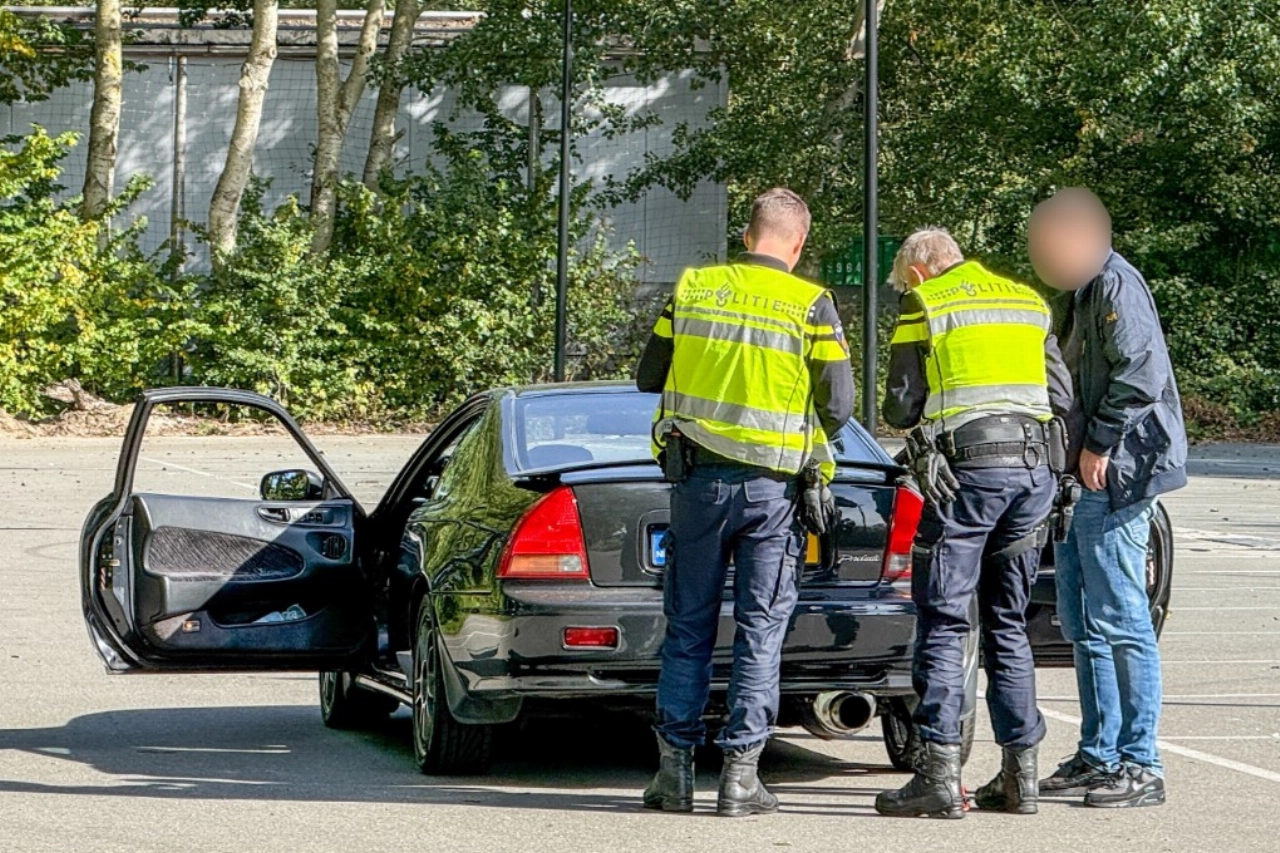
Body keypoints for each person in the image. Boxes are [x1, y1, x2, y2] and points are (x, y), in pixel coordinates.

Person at [634, 187, 855, 817]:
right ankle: (740, 779)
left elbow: (650, 376)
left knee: (689, 627)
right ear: (798, 241)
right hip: (771, 493)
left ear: (748, 232)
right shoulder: (810, 304)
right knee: (760, 629)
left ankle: (673, 776)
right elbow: (837, 408)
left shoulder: (695, 289)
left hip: (697, 485)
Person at [875, 227, 1073, 819]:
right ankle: (1020, 778)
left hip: (966, 477)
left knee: (944, 619)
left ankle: (937, 773)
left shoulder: (926, 303)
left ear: (917, 271)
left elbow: (899, 405)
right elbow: (1060, 394)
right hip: (1033, 473)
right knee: (1007, 622)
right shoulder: (1026, 301)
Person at [1028, 188, 1187, 808]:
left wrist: (1096, 444)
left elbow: (1141, 375)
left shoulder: (1118, 287)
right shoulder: (1082, 294)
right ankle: (1100, 753)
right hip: (1084, 475)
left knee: (1120, 618)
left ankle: (1140, 762)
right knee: (1082, 620)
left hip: (1120, 472)